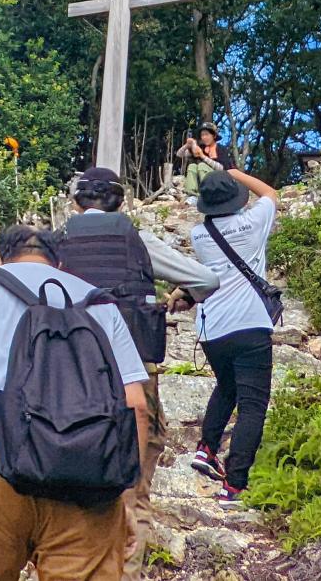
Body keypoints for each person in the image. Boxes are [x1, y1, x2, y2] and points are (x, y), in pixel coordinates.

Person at [0, 225, 152, 581]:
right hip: (89, 478)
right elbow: (136, 406)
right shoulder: (99, 302)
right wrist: (125, 495)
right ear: (60, 264)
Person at [56, 167, 220, 578]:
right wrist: (183, 295)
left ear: (75, 203)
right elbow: (206, 278)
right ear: (121, 202)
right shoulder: (137, 241)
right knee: (135, 487)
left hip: (71, 377)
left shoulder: (55, 245)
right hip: (135, 376)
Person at [187, 166, 280, 502]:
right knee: (253, 405)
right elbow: (270, 193)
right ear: (236, 198)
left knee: (226, 387)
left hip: (212, 329)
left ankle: (206, 449)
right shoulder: (254, 223)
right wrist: (236, 173)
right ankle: (235, 483)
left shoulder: (199, 233)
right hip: (250, 324)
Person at [177, 122, 235, 197]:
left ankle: (209, 193)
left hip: (219, 182)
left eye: (207, 134)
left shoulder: (221, 149)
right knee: (192, 166)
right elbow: (179, 154)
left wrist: (203, 156)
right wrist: (187, 145)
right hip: (202, 182)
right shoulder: (201, 148)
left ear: (214, 136)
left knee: (202, 165)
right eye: (202, 135)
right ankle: (192, 194)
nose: (204, 137)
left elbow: (222, 168)